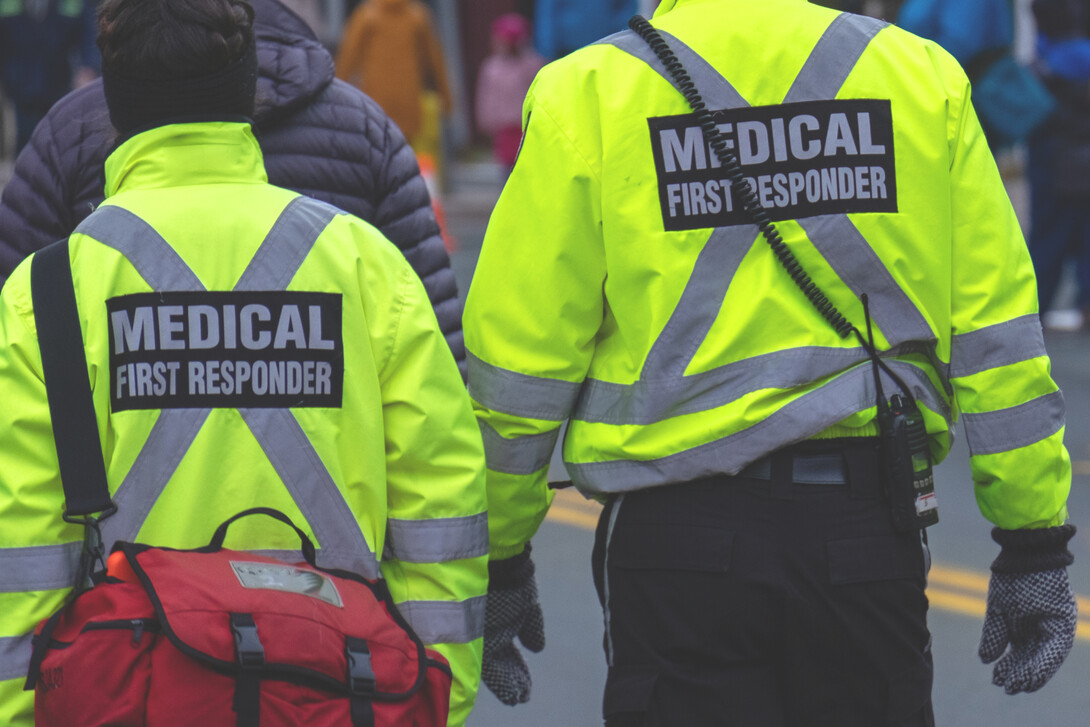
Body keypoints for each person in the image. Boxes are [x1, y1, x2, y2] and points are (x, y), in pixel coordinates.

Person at [463, 0, 1077, 724]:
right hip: (863, 530)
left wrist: (497, 557)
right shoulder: (919, 79)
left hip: (675, 547)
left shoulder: (590, 92)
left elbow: (519, 368)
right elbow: (997, 339)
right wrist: (1034, 541)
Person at [0, 0, 488, 725]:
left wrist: (23, 710)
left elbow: (23, 547)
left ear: (114, 98)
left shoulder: (46, 291)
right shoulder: (366, 265)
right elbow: (439, 497)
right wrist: (431, 693)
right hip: (336, 692)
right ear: (243, 88)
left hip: (127, 696)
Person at [0, 0, 467, 379]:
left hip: (102, 488)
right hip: (345, 487)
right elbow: (433, 355)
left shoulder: (69, 130)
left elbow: (15, 337)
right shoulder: (367, 131)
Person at [1027, 0, 1090, 326]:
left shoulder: (1044, 64)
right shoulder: (1084, 53)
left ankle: (1033, 310)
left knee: (1047, 239)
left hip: (1052, 164)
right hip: (1084, 160)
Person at [334, 0, 453, 159]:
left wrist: (334, 101)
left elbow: (348, 59)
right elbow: (434, 60)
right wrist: (447, 100)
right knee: (405, 155)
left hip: (375, 102)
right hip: (408, 101)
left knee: (376, 155)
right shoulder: (417, 15)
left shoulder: (366, 15)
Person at [0, 0, 100, 153]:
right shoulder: (8, 3)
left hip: (59, 83)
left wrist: (87, 68)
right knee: (24, 140)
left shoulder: (71, 3)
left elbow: (88, 33)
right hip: (19, 85)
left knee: (57, 141)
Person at [475, 13, 546, 178]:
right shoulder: (492, 67)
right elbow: (486, 97)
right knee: (508, 171)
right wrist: (486, 120)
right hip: (504, 128)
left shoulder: (532, 64)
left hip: (527, 126)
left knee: (530, 167)